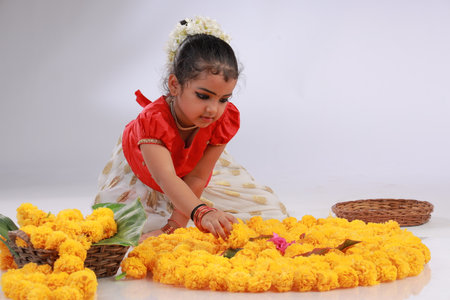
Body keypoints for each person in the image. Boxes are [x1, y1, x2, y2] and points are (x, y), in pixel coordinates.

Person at [94, 17, 288, 242]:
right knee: (132, 230)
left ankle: (187, 210)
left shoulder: (223, 118)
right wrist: (201, 213)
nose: (213, 109)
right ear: (175, 85)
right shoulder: (153, 122)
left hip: (189, 167)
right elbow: (166, 177)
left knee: (272, 214)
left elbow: (197, 177)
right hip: (150, 171)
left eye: (223, 99)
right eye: (203, 96)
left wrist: (178, 222)